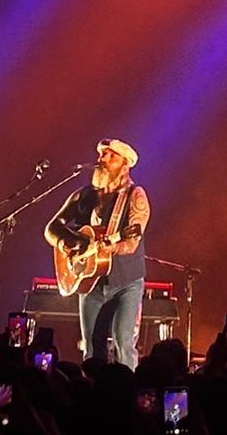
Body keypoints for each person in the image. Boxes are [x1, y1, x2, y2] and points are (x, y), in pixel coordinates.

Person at [45, 138, 151, 368]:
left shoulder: (136, 196)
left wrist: (109, 246)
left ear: (125, 164)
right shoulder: (83, 196)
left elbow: (132, 242)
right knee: (92, 348)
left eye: (111, 155)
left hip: (126, 283)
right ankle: (93, 396)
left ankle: (126, 394)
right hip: (90, 281)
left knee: (124, 344)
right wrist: (70, 242)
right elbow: (51, 229)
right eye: (102, 154)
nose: (103, 159)